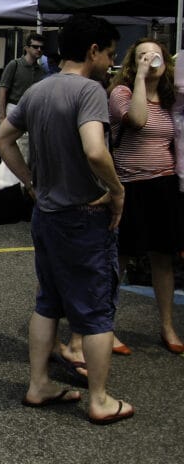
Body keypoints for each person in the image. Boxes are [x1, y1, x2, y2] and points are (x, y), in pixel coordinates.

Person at [0, 15, 134, 426]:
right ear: (93, 51)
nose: (112, 61)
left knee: (48, 302)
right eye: (110, 53)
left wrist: (31, 180)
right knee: (95, 310)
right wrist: (118, 190)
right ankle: (100, 399)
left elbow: (1, 140)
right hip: (84, 215)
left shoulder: (38, 90)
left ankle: (39, 384)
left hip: (47, 214)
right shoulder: (90, 90)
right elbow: (94, 149)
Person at [107, 38, 183, 354]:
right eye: (142, 54)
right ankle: (103, 326)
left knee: (162, 258)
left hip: (163, 184)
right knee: (120, 258)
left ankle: (167, 326)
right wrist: (139, 76)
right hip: (130, 186)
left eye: (155, 54)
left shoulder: (170, 99)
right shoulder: (121, 93)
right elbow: (137, 120)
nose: (150, 58)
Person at [0, 32, 48, 123]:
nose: (39, 49)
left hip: (33, 110)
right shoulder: (14, 64)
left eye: (42, 47)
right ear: (27, 48)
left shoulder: (41, 70)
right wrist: (2, 116)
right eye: (35, 47)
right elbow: (2, 90)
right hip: (14, 107)